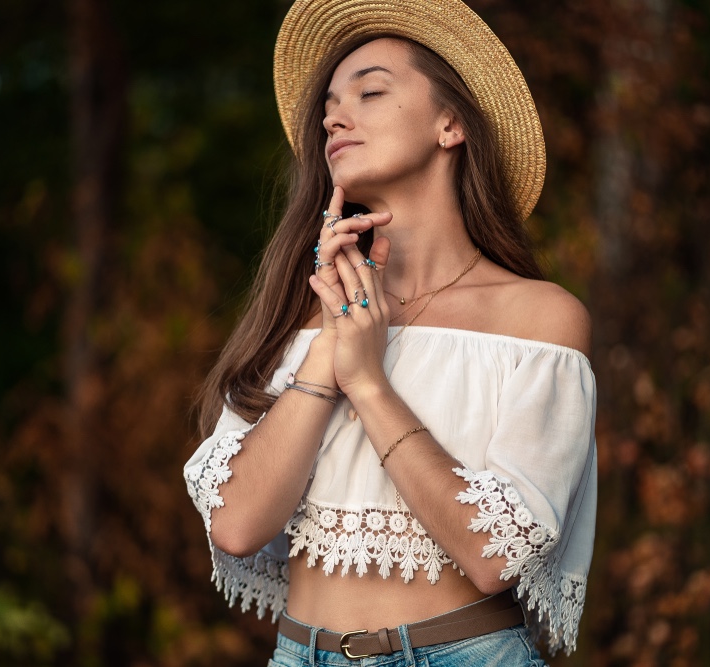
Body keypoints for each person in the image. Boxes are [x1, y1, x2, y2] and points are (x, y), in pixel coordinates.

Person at [184, 1, 597, 664]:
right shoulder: (295, 317)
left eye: (371, 92)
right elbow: (235, 525)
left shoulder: (538, 319)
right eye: (328, 109)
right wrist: (328, 349)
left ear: (451, 122)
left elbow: (495, 558)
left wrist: (371, 382)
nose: (335, 117)